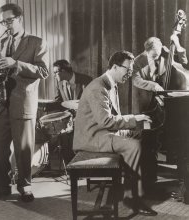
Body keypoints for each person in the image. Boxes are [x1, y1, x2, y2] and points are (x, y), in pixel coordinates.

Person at [73, 51, 157, 216]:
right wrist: (135, 118)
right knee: (133, 146)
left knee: (140, 135)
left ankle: (131, 186)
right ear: (115, 67)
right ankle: (133, 198)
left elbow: (112, 119)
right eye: (128, 69)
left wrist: (134, 124)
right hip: (92, 138)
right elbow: (106, 121)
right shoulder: (98, 87)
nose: (130, 74)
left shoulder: (110, 83)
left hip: (102, 133)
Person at [0, 3, 49, 202]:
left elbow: (43, 72)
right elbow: (0, 72)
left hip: (22, 102)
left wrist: (17, 64)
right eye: (3, 21)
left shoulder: (37, 42)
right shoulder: (2, 41)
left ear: (20, 18)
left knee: (23, 149)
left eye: (10, 20)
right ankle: (2, 187)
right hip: (2, 101)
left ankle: (25, 186)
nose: (6, 25)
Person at [133, 36, 189, 204]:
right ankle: (150, 184)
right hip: (150, 105)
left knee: (181, 145)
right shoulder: (138, 60)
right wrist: (153, 85)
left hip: (171, 107)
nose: (157, 59)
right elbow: (136, 79)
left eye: (158, 55)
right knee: (148, 144)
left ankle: (183, 183)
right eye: (153, 56)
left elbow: (185, 64)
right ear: (146, 51)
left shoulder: (165, 52)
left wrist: (178, 45)